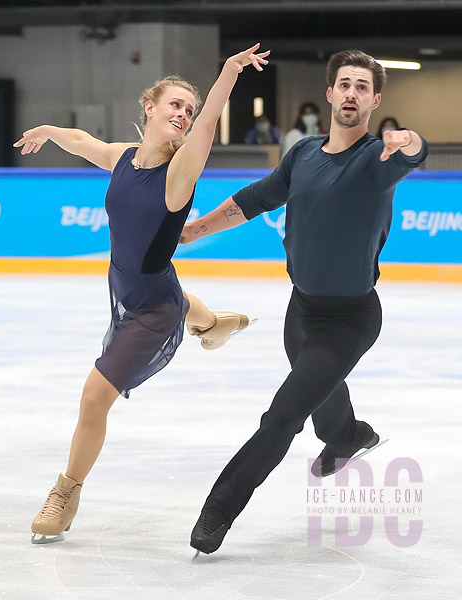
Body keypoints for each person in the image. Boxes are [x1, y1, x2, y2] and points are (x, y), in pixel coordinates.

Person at [13, 43, 270, 544]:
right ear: (149, 107)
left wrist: (228, 74)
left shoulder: (178, 174)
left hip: (151, 308)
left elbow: (207, 127)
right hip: (137, 286)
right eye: (175, 104)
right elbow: (84, 141)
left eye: (188, 110)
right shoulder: (124, 158)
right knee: (176, 295)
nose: (184, 114)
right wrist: (48, 130)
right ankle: (214, 323)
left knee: (94, 397)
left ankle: (66, 492)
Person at [181, 49, 427, 555]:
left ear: (375, 100)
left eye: (363, 87)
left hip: (350, 319)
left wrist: (409, 140)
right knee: (320, 403)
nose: (353, 93)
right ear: (331, 93)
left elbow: (413, 154)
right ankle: (350, 436)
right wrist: (193, 231)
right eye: (346, 84)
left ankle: (218, 511)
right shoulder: (303, 154)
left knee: (283, 415)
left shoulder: (378, 159)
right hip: (301, 312)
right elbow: (255, 199)